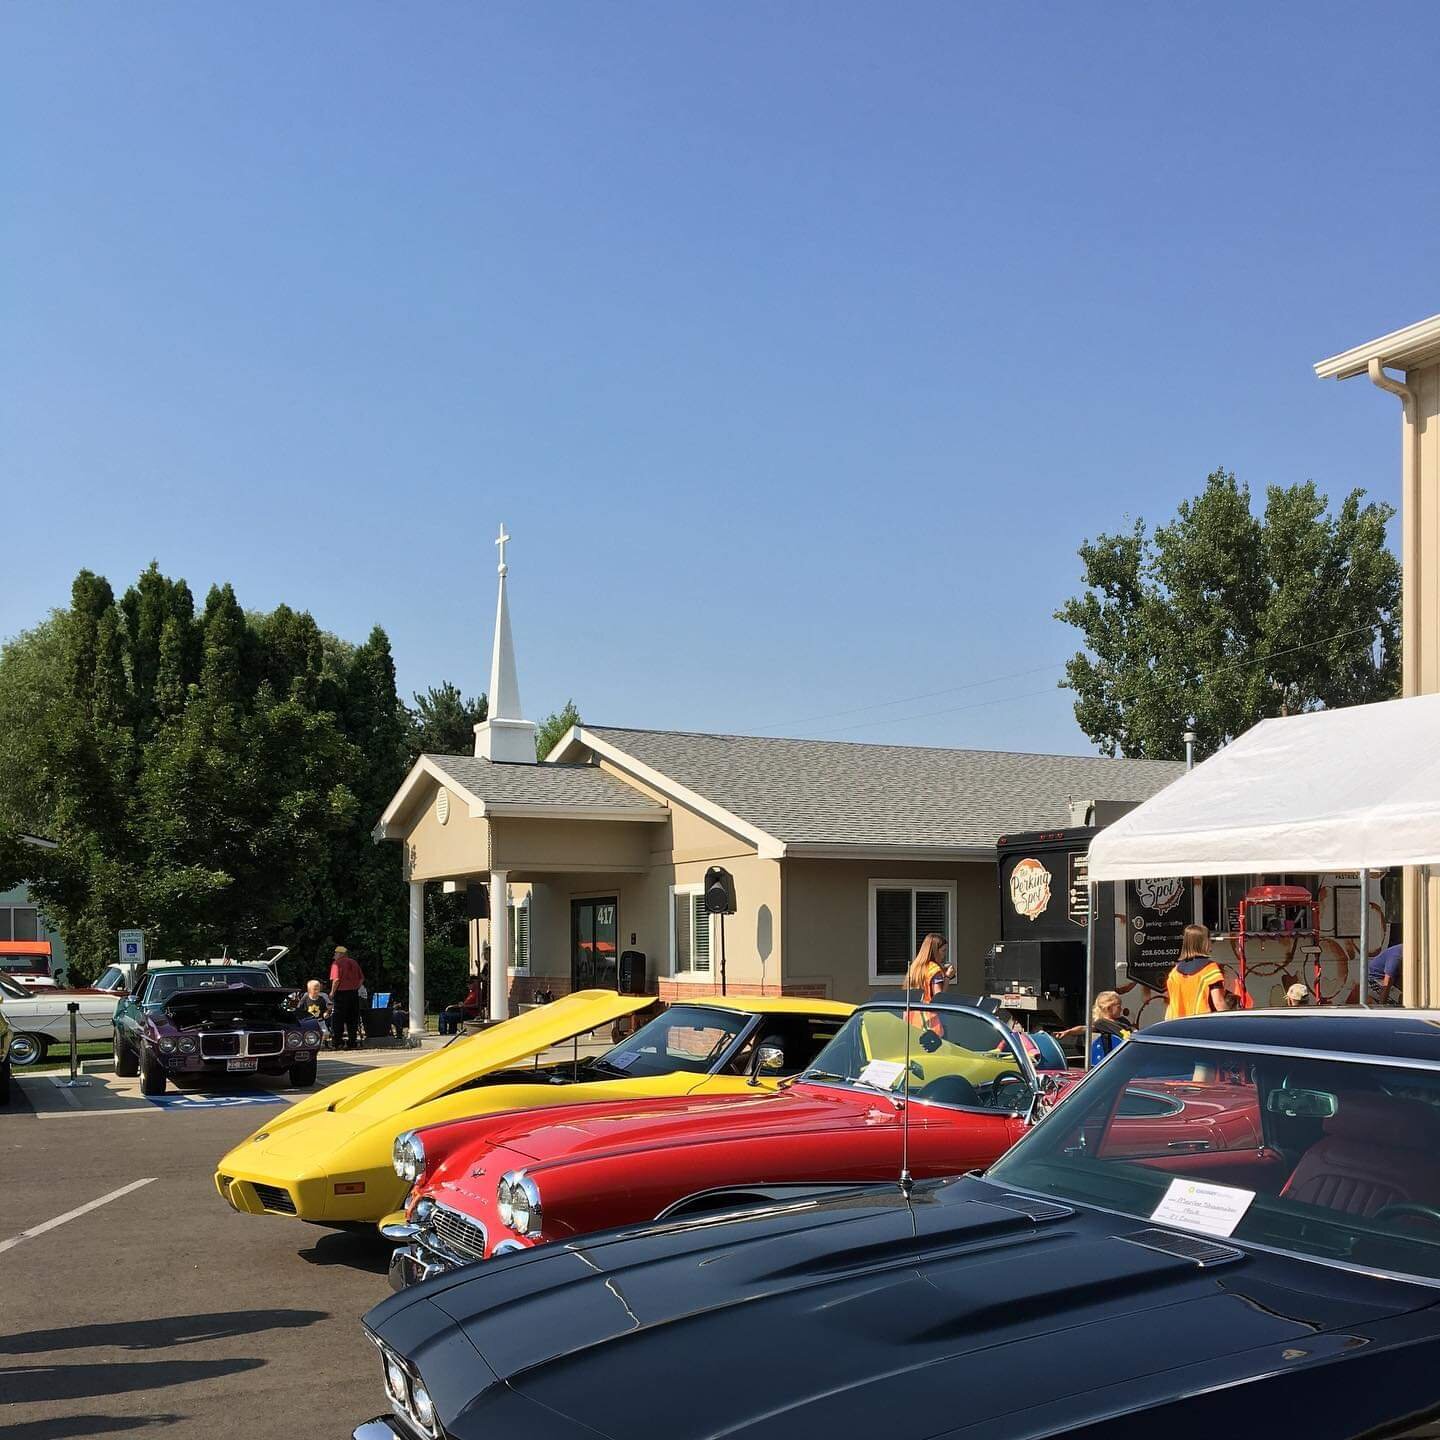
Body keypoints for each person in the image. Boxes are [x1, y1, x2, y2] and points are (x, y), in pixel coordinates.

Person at [1164, 924, 1227, 1019]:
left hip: (1175, 1026)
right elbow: (1218, 1003)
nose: (1211, 942)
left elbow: (1170, 1002)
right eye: (1209, 939)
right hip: (1201, 1025)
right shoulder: (1210, 969)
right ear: (1203, 942)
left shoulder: (1175, 972)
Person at [1060, 991, 1132, 1064]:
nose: (1121, 1009)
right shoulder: (1102, 1023)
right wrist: (1069, 1032)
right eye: (1118, 1007)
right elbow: (1085, 1028)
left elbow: (1133, 1031)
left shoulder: (1123, 1020)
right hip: (1117, 1056)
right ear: (1109, 1008)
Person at [329, 944, 366, 1050]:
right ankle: (352, 1042)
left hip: (341, 993)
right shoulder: (354, 962)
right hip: (353, 993)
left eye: (336, 953)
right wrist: (355, 988)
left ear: (340, 954)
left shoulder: (336, 964)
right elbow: (361, 979)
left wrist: (332, 992)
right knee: (352, 1019)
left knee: (338, 1019)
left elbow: (336, 980)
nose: (334, 955)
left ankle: (337, 1042)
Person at [298, 979, 334, 1044]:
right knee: (309, 1033)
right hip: (309, 1019)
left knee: (325, 1033)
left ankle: (322, 1043)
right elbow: (300, 1005)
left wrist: (328, 1011)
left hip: (320, 1019)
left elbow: (329, 1005)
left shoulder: (323, 995)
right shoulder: (306, 995)